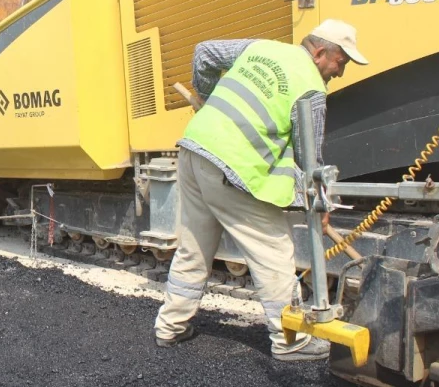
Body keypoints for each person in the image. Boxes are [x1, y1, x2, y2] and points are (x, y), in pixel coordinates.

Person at [153, 19, 368, 361]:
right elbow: (308, 156)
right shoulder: (311, 88)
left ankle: (170, 326)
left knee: (194, 247)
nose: (340, 72)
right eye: (340, 62)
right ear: (320, 52)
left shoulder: (263, 48)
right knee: (273, 251)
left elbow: (205, 52)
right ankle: (290, 341)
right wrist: (321, 201)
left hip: (194, 150)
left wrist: (208, 99)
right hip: (232, 168)